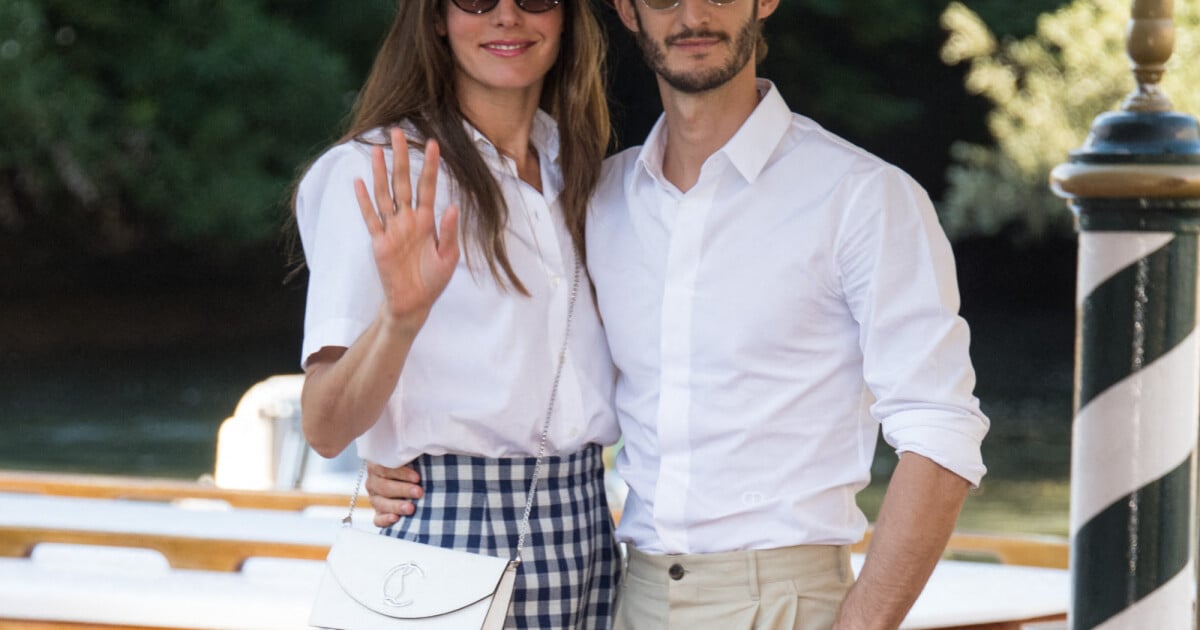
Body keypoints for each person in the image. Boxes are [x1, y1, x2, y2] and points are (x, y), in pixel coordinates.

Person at [369, 0, 990, 628]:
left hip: (785, 601)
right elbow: (532, 364)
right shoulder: (602, 198)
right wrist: (408, 457)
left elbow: (940, 427)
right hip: (630, 596)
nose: (694, 15)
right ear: (628, 11)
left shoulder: (862, 196)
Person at [293, 0, 622, 627]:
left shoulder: (581, 172)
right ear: (436, 18)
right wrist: (401, 318)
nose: (507, 16)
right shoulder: (374, 172)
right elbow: (326, 426)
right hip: (450, 536)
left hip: (589, 535)